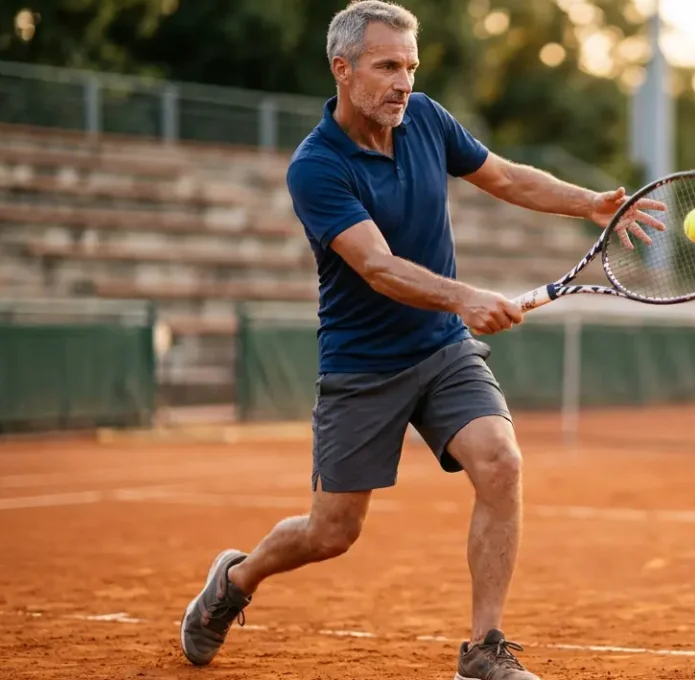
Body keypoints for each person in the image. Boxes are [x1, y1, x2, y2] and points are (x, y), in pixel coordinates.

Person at [177, 1, 665, 678]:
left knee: (500, 461)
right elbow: (376, 267)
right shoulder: (317, 167)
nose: (403, 81)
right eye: (386, 66)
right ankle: (235, 581)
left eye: (409, 65)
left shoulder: (427, 119)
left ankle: (484, 649)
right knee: (332, 533)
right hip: (363, 366)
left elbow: (500, 175)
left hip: (441, 350)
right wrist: (466, 297)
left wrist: (587, 202)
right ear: (342, 70)